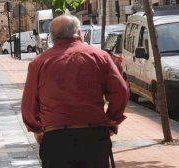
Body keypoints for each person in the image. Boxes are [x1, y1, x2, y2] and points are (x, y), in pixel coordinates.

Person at [22, 15, 128, 168]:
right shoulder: (100, 57)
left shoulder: (39, 62)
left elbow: (28, 104)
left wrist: (37, 129)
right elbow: (121, 91)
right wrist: (112, 119)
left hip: (56, 139)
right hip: (93, 135)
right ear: (79, 32)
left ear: (52, 37)